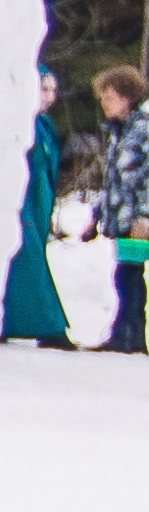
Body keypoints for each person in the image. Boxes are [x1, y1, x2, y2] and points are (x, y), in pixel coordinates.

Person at [1, 64, 74, 348]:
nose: (50, 97)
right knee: (28, 263)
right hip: (25, 207)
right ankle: (49, 325)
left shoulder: (44, 126)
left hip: (40, 205)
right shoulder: (23, 124)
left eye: (53, 91)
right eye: (44, 89)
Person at [91, 66, 149, 356]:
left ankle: (131, 335)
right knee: (126, 274)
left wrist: (145, 216)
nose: (105, 102)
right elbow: (114, 178)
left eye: (110, 96)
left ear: (128, 97)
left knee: (129, 275)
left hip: (138, 220)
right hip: (122, 216)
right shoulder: (119, 131)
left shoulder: (143, 129)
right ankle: (126, 332)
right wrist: (97, 213)